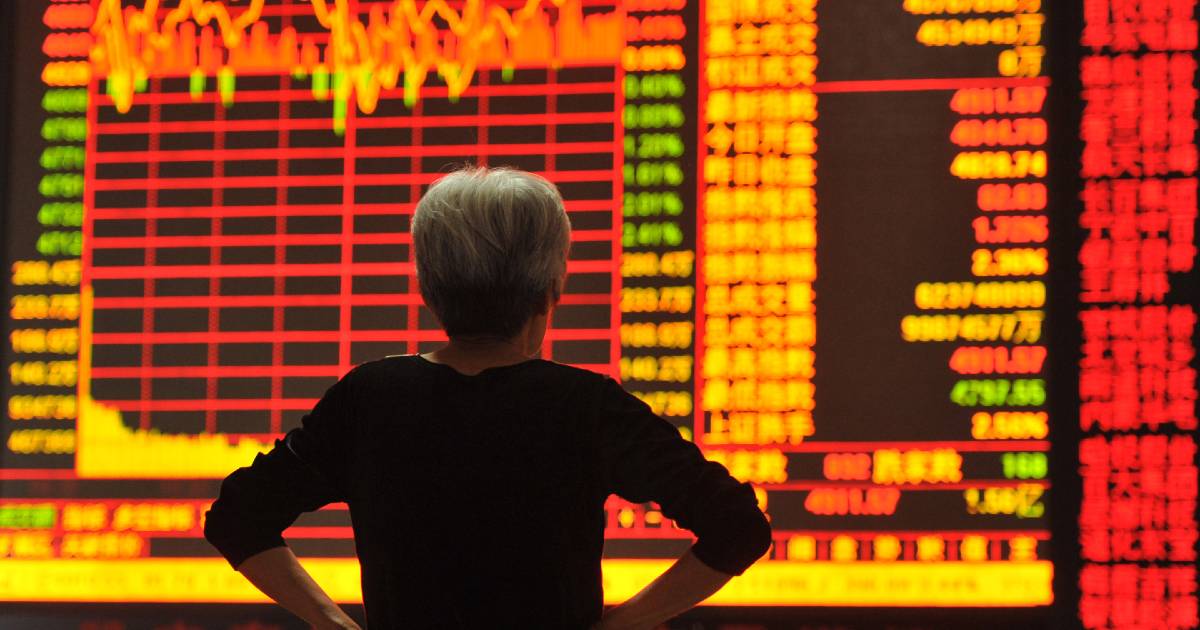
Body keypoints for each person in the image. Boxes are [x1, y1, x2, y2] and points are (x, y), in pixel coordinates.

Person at [204, 166, 772, 629]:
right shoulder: (586, 406)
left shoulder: (370, 398)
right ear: (553, 286)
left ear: (428, 288)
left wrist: (333, 623)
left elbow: (237, 517)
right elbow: (739, 528)